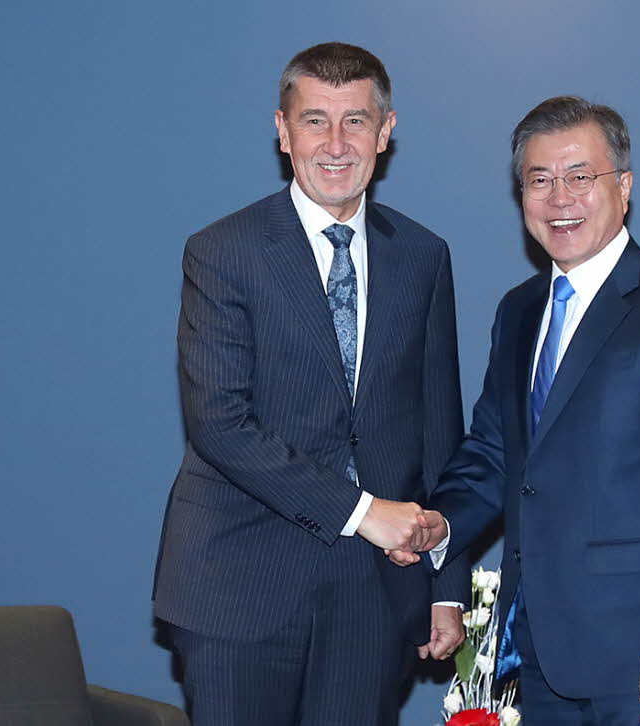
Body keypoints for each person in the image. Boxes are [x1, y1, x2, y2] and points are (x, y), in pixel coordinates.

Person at [393, 96, 640, 725]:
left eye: (581, 176)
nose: (561, 198)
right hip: (539, 647)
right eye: (539, 180)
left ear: (624, 186)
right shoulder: (520, 310)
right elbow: (495, 453)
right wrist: (436, 526)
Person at [153, 42, 468, 726]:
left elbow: (440, 429)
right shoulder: (224, 251)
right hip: (240, 581)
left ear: (385, 133)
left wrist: (448, 583)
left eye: (355, 121)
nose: (335, 142)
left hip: (373, 592)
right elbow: (219, 424)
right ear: (282, 128)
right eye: (315, 120)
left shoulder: (423, 256)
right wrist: (364, 512)